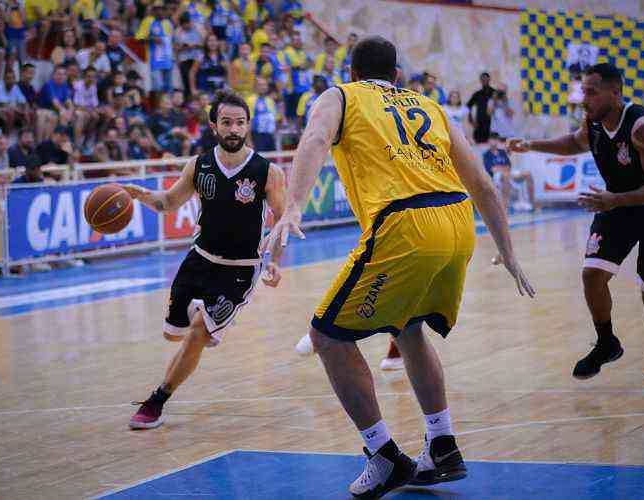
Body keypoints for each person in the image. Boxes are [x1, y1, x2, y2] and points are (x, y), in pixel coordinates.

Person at [264, 36, 534, 498]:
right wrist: (508, 250)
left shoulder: (341, 96)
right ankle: (442, 444)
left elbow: (314, 138)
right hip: (457, 221)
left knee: (327, 337)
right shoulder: (433, 107)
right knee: (408, 327)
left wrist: (292, 206)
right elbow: (483, 184)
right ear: (396, 75)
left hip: (405, 224)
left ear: (352, 72)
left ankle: (382, 454)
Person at [508, 62, 644, 382]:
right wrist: (530, 144)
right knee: (592, 274)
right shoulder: (592, 122)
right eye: (582, 92)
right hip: (618, 203)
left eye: (591, 92)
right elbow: (574, 143)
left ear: (615, 94)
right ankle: (607, 343)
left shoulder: (641, 127)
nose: (583, 99)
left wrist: (615, 200)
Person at [125, 89, 286, 429]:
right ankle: (204, 322)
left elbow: (282, 220)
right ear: (213, 125)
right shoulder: (198, 165)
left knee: (197, 333)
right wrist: (141, 197)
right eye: (226, 122)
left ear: (247, 126)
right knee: (173, 335)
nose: (233, 129)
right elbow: (168, 202)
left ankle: (156, 401)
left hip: (239, 270)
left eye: (240, 123)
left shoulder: (267, 172)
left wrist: (276, 260)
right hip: (199, 260)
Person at [483, 133, 534, 212]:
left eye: (495, 139)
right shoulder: (487, 154)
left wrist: (501, 168)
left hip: (507, 172)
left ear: (498, 141)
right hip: (495, 177)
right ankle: (505, 206)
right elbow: (492, 169)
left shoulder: (502, 152)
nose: (494, 142)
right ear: (489, 141)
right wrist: (503, 169)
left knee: (527, 174)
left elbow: (509, 166)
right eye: (492, 139)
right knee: (506, 175)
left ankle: (531, 203)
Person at [466, 71, 495, 144]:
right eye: (482, 79)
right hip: (479, 124)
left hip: (492, 124)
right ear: (480, 81)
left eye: (486, 79)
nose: (484, 81)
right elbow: (468, 107)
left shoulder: (495, 93)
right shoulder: (477, 94)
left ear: (489, 80)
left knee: (492, 144)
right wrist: (471, 120)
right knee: (479, 144)